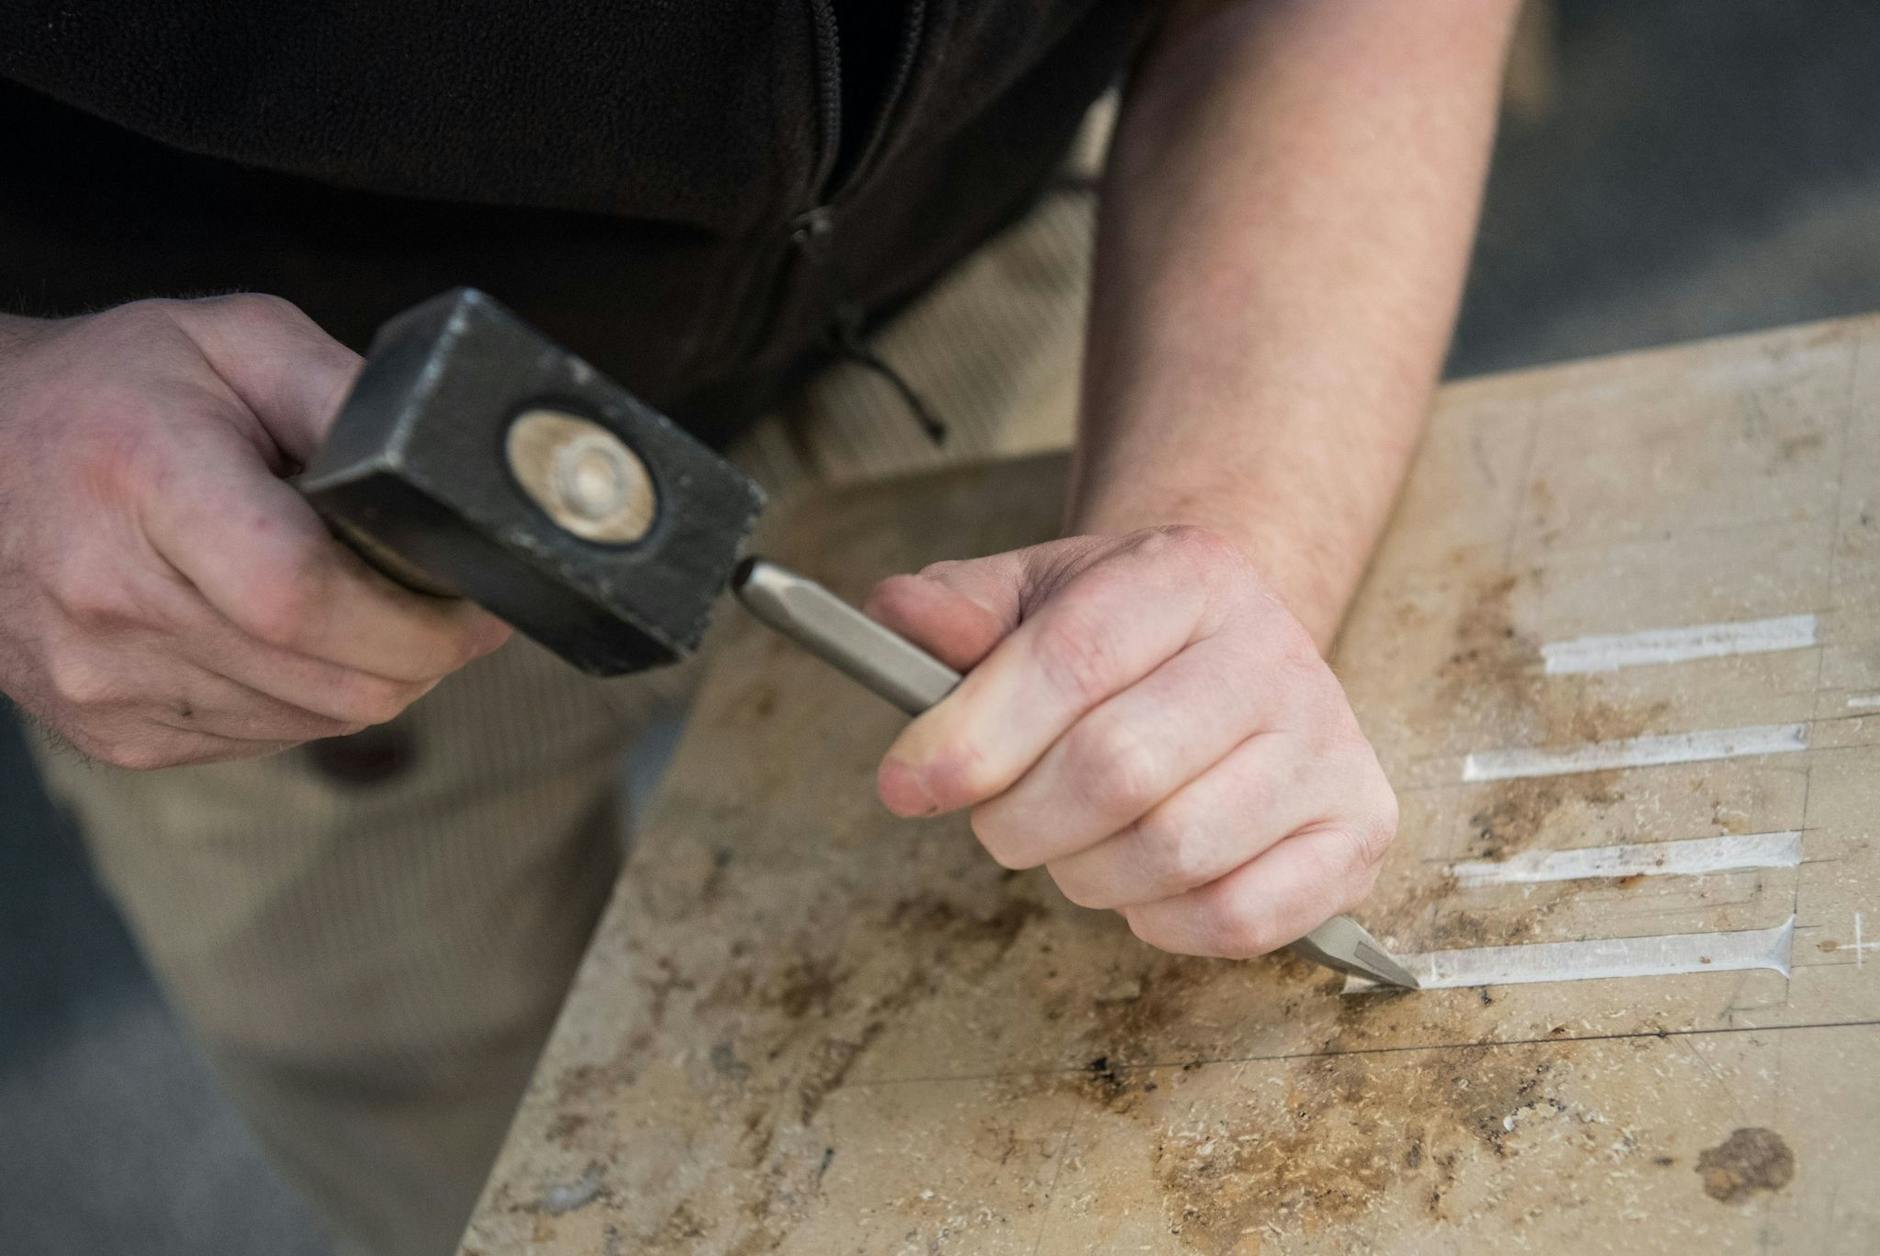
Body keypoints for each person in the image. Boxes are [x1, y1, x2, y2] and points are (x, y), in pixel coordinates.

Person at [0, 2, 1520, 1251]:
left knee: (1066, 1056)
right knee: (493, 1159)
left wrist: (1218, 523)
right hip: (242, 514)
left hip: (1058, 314)